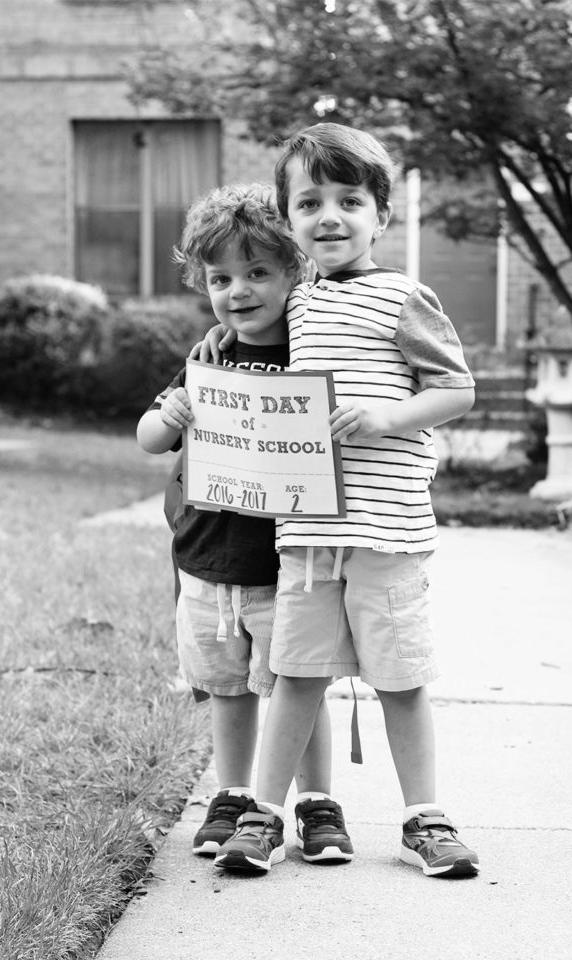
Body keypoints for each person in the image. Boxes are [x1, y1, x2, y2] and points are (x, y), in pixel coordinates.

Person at [202, 123, 480, 878]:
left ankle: (425, 817)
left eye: (349, 200)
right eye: (309, 201)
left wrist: (389, 417)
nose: (330, 215)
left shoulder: (401, 297)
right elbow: (246, 325)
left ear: (380, 216)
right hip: (308, 530)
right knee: (295, 674)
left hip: (388, 530)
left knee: (401, 679)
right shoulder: (296, 303)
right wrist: (212, 350)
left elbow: (456, 389)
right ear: (289, 223)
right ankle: (264, 815)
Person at [137, 182, 353, 870]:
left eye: (259, 272)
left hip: (286, 564)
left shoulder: (312, 358)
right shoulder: (208, 359)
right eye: (220, 277)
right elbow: (147, 436)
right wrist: (167, 418)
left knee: (299, 683)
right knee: (228, 688)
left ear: (297, 272)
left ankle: (316, 803)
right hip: (207, 558)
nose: (239, 290)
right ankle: (232, 794)